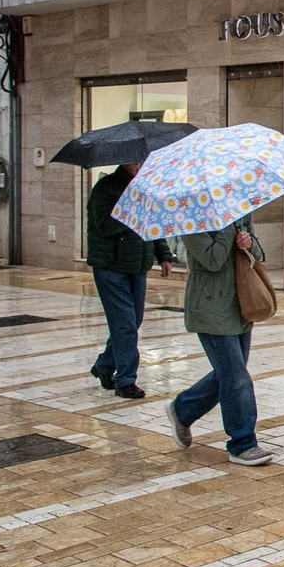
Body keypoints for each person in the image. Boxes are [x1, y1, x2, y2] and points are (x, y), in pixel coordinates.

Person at [165, 216, 274, 466]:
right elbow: (212, 260)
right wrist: (229, 228)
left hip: (240, 304)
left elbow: (259, 254)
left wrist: (248, 242)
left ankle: (182, 410)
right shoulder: (191, 218)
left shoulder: (240, 212)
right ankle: (242, 443)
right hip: (210, 307)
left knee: (230, 373)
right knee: (236, 377)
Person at [86, 163, 173, 399]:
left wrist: (164, 255)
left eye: (142, 162)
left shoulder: (144, 188)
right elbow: (101, 225)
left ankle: (104, 366)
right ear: (124, 162)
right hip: (111, 267)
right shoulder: (105, 188)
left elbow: (153, 225)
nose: (139, 166)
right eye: (136, 162)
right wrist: (128, 212)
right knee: (124, 324)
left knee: (133, 321)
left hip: (138, 265)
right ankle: (125, 380)